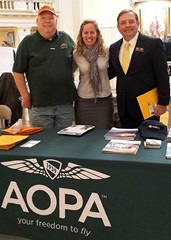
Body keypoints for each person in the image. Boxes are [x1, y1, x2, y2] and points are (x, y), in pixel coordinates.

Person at [13, 5, 77, 130]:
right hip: (39, 106)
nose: (47, 21)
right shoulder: (27, 42)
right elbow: (17, 71)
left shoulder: (66, 38)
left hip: (65, 104)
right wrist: (25, 96)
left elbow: (75, 62)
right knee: (43, 143)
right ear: (37, 21)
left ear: (56, 21)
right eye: (43, 18)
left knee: (66, 141)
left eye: (51, 18)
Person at [108, 9, 170, 128]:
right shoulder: (114, 48)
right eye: (123, 23)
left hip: (148, 108)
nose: (127, 26)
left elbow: (162, 75)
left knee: (148, 141)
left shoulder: (153, 44)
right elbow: (111, 72)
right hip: (124, 108)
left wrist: (163, 102)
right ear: (118, 26)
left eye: (131, 21)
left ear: (138, 23)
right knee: (127, 143)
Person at [73, 19, 114, 129]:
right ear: (81, 34)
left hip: (104, 101)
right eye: (86, 32)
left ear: (97, 34)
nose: (89, 35)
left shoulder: (106, 51)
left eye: (92, 32)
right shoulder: (76, 54)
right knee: (84, 136)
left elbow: (114, 70)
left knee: (104, 135)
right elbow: (68, 72)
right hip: (84, 101)